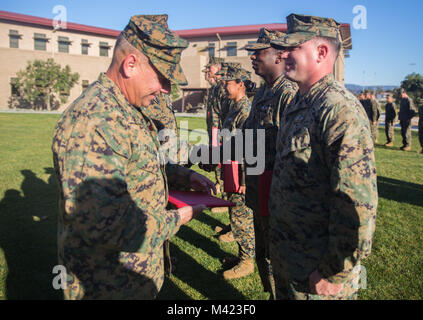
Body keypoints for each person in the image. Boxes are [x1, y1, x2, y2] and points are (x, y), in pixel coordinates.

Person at [52, 14, 215, 300]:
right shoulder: (95, 121)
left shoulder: (126, 109)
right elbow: (104, 223)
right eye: (163, 78)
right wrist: (178, 218)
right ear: (130, 65)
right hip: (105, 285)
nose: (166, 90)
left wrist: (185, 176)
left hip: (133, 277)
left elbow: (143, 161)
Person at [269, 13, 378, 300]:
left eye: (293, 47)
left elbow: (357, 203)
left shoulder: (339, 109)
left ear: (321, 52)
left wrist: (334, 272)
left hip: (318, 270)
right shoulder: (299, 101)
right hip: (290, 258)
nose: (284, 54)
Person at [244, 28, 298, 299]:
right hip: (258, 189)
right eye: (252, 53)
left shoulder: (287, 93)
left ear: (279, 56)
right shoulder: (263, 91)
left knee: (279, 260)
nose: (253, 57)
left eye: (259, 52)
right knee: (264, 255)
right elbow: (250, 136)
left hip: (277, 195)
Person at [219, 65, 256, 279]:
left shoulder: (245, 110)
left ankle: (247, 261)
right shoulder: (233, 107)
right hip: (231, 167)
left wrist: (244, 179)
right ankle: (241, 255)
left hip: (241, 172)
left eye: (228, 82)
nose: (224, 86)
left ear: (240, 84)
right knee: (235, 213)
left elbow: (251, 147)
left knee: (243, 217)